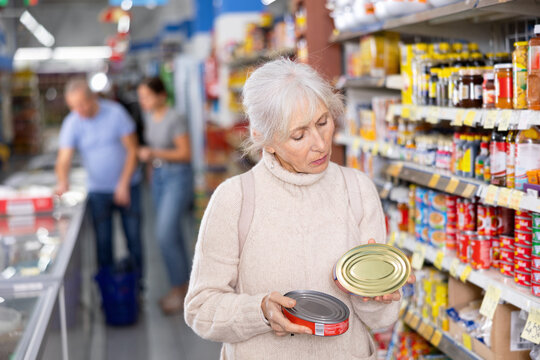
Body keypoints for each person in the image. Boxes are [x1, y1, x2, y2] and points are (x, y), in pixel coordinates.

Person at [184, 59, 413, 359]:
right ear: (263, 138)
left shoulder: (358, 190)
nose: (320, 144)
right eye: (299, 135)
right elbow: (201, 308)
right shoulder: (234, 199)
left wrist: (375, 293)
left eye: (323, 122)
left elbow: (382, 321)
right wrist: (261, 311)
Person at [55, 78, 143, 281]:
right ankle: (109, 290)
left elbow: (132, 151)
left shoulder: (115, 113)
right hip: (98, 192)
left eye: (82, 104)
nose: (80, 110)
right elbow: (64, 158)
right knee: (103, 244)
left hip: (128, 187)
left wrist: (123, 184)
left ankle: (137, 287)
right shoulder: (73, 122)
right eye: (74, 107)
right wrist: (62, 180)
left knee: (134, 240)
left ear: (93, 97)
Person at [137, 77, 193, 314]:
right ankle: (183, 288)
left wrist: (152, 153)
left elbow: (185, 153)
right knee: (174, 235)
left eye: (147, 96)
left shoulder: (175, 118)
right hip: (159, 178)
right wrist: (152, 170)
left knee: (164, 234)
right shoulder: (149, 117)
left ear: (161, 96)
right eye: (141, 98)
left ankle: (179, 290)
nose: (143, 102)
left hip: (176, 178)